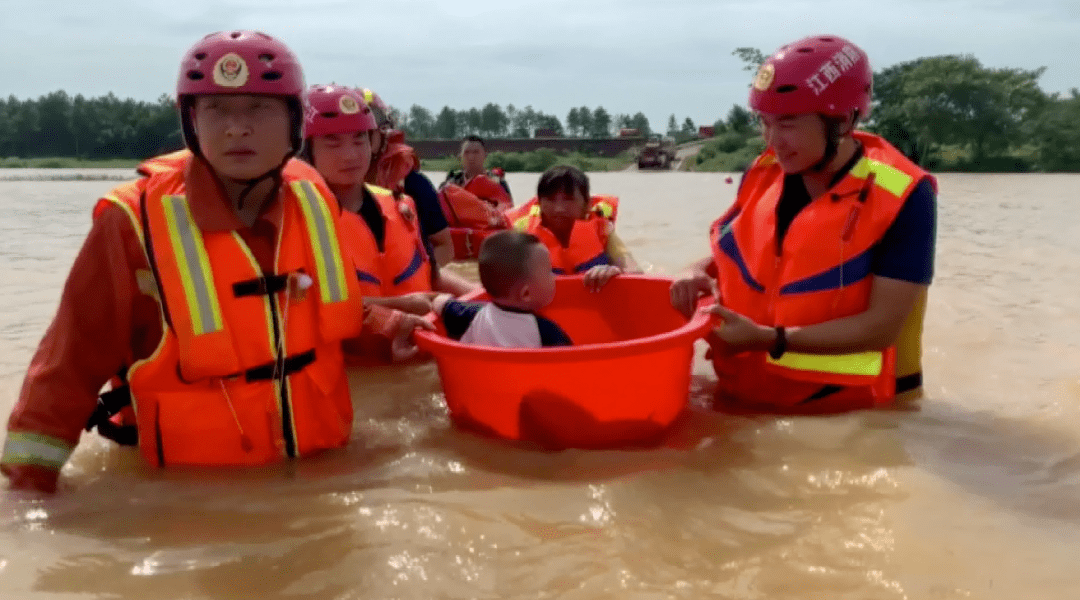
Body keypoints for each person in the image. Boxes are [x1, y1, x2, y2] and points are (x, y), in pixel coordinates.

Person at [0, 31, 427, 494]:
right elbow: (68, 363)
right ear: (191, 122)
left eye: (258, 109)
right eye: (216, 109)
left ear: (292, 125)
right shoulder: (132, 223)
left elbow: (314, 311)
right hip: (191, 503)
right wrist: (29, 494)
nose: (236, 128)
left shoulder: (314, 198)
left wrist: (389, 329)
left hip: (323, 477)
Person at [669, 34, 937, 412]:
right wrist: (694, 270)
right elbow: (749, 253)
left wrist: (766, 339)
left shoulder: (905, 196)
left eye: (788, 124)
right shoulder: (763, 172)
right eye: (765, 123)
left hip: (835, 414)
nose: (772, 141)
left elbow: (881, 327)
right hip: (738, 396)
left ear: (842, 121)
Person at [360, 88, 456, 266]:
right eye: (352, 135)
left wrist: (420, 279)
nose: (358, 144)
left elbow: (444, 246)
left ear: (383, 134)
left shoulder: (414, 184)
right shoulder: (332, 185)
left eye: (366, 134)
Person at [510, 165, 641, 292]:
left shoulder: (603, 231)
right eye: (550, 200)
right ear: (539, 203)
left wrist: (615, 273)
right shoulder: (522, 233)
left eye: (569, 199)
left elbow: (635, 273)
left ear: (587, 204)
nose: (559, 209)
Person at [432, 230, 571, 348]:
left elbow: (440, 303)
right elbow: (574, 364)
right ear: (526, 293)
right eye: (548, 272)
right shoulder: (547, 332)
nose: (553, 277)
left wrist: (436, 300)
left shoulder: (472, 315)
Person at [441, 135, 514, 208]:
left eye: (476, 152)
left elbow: (509, 211)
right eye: (466, 152)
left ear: (485, 155)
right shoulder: (451, 182)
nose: (471, 157)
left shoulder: (497, 181)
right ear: (460, 156)